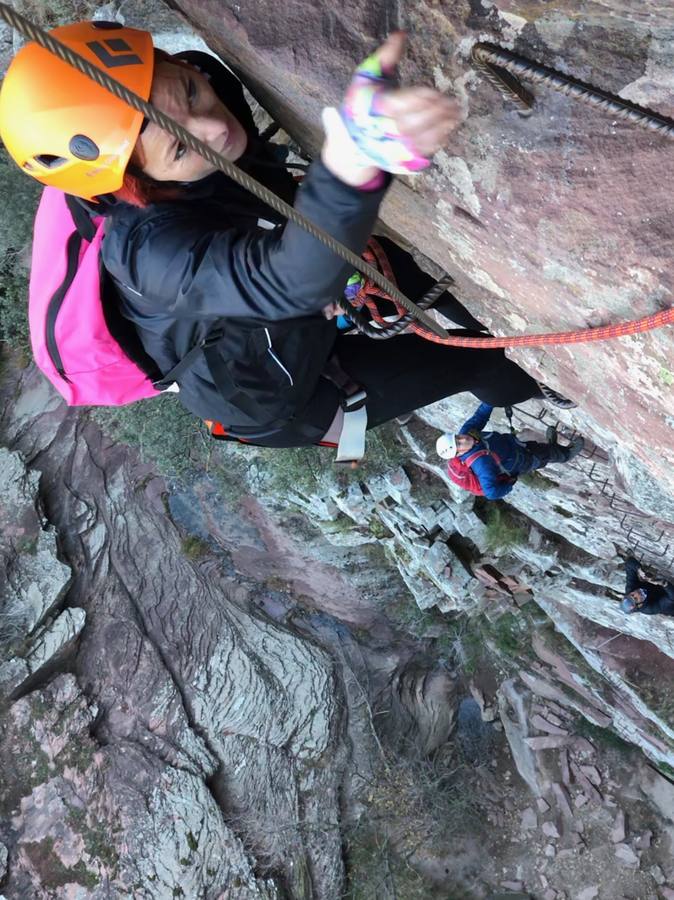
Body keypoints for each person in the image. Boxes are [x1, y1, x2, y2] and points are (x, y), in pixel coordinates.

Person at [0, 22, 571, 456]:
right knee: (476, 360)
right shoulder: (150, 252)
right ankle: (551, 392)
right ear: (135, 183)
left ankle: (448, 310)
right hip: (275, 398)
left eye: (192, 94)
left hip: (281, 303)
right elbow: (283, 283)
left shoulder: (200, 77)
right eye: (180, 147)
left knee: (394, 268)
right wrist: (353, 163)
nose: (214, 128)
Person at [436, 401, 584, 499]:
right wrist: (508, 486)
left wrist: (491, 399)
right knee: (543, 455)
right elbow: (491, 492)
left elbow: (480, 416)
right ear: (458, 453)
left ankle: (553, 447)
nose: (463, 440)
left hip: (515, 447)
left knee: (538, 448)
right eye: (459, 445)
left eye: (457, 438)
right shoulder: (481, 464)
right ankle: (566, 454)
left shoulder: (467, 432)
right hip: (521, 461)